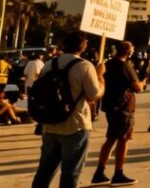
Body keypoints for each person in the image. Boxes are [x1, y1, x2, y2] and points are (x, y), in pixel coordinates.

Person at [31, 31, 106, 188]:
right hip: (75, 124)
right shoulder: (85, 66)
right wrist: (100, 77)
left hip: (50, 124)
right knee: (70, 173)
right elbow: (94, 95)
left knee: (44, 171)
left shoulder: (49, 64)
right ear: (83, 46)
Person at [92, 41, 142, 186]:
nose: (133, 50)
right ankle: (118, 173)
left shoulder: (108, 64)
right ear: (128, 51)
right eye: (132, 48)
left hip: (110, 106)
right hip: (123, 107)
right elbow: (137, 87)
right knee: (123, 140)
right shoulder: (125, 66)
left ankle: (99, 172)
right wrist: (142, 83)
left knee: (111, 139)